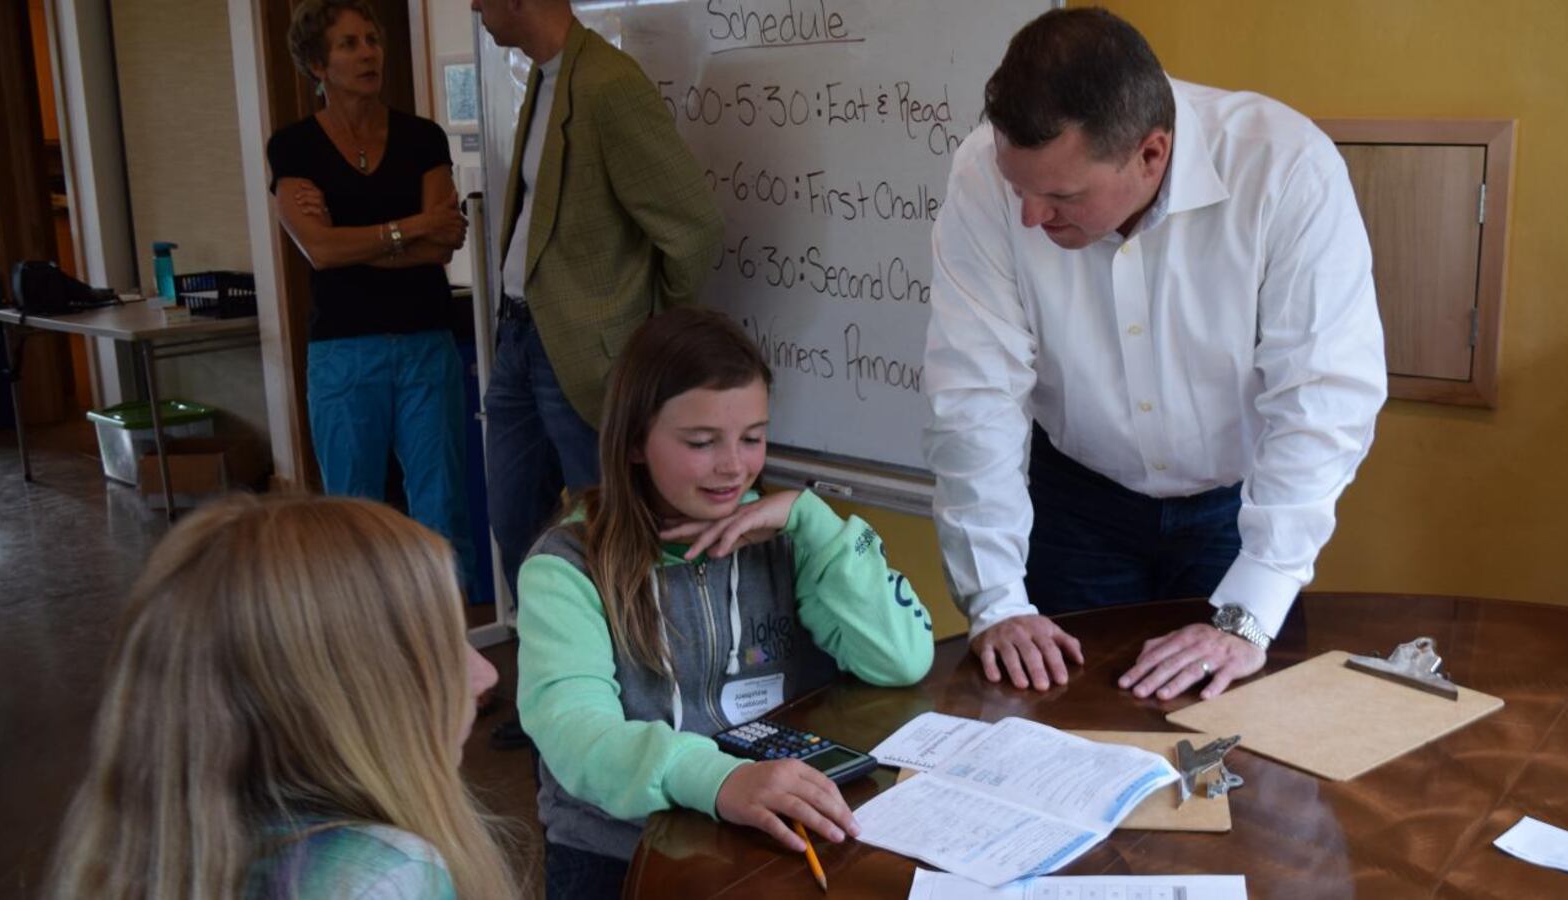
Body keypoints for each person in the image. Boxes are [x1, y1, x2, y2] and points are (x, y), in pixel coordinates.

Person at [923, 8, 1386, 701]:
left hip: (1236, 510)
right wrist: (996, 601)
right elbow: (973, 393)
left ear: (1151, 153)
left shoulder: (1287, 168)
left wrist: (1250, 611)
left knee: (1237, 741)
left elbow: (1322, 398)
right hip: (1076, 501)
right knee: (1067, 721)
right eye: (1020, 187)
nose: (1029, 217)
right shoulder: (983, 174)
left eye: (1060, 196)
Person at [515, 307, 935, 898]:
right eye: (701, 442)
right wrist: (719, 779)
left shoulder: (792, 535)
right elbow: (576, 735)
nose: (734, 466)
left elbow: (903, 659)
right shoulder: (567, 568)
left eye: (753, 438)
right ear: (635, 442)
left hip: (771, 830)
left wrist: (809, 517)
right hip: (620, 846)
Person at [44, 495, 518, 900]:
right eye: (442, 647)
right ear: (343, 696)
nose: (485, 673)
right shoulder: (384, 875)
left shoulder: (145, 854)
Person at [473, 0, 724, 602]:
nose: (475, 7)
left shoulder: (610, 85)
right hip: (517, 342)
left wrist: (652, 333)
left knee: (615, 534)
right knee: (517, 527)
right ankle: (547, 666)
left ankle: (629, 675)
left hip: (589, 359)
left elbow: (694, 227)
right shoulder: (541, 78)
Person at [267, 0, 476, 589]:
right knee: (351, 515)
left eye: (372, 41)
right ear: (317, 64)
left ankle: (447, 651)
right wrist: (405, 228)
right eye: (349, 45)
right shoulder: (294, 148)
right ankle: (362, 649)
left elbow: (443, 247)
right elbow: (321, 252)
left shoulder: (421, 138)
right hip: (343, 352)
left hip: (425, 344)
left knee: (441, 506)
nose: (368, 54)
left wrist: (358, 238)